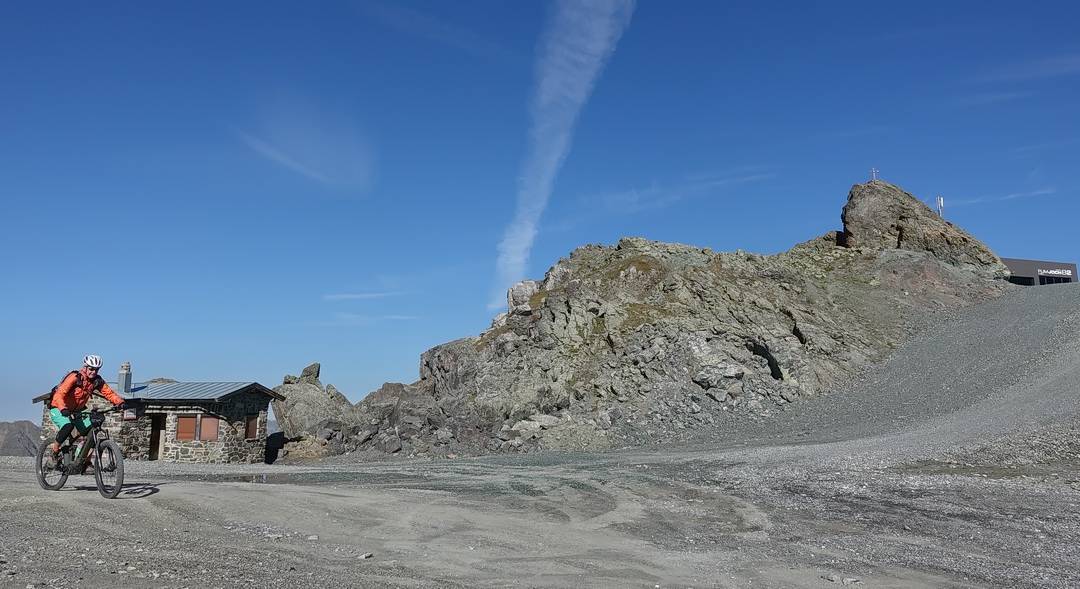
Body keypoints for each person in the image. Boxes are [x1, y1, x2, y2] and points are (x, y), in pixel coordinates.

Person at [46, 355, 127, 467]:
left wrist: (120, 402)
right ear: (85, 367)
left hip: (77, 411)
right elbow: (60, 394)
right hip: (58, 407)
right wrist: (63, 408)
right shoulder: (74, 377)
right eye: (91, 369)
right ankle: (54, 454)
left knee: (93, 430)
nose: (93, 372)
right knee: (67, 426)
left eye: (96, 369)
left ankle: (85, 461)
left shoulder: (97, 381)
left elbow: (109, 393)